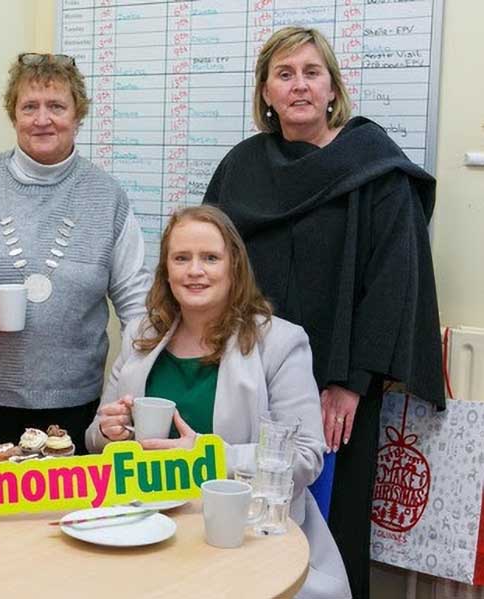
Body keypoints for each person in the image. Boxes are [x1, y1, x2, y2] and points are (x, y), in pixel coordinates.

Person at [202, 27, 443, 599]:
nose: (299, 86)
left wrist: (351, 383)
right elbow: (210, 259)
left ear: (333, 88)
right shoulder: (242, 166)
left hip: (337, 389)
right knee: (241, 524)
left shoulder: (374, 166)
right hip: (250, 377)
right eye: (284, 75)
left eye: (312, 73)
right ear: (266, 92)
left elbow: (393, 284)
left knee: (327, 537)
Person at [85, 205, 351, 599]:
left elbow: (305, 457)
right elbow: (95, 439)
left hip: (243, 539)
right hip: (145, 529)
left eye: (210, 258)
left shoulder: (280, 342)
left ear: (234, 267)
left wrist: (208, 456)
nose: (195, 270)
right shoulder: (141, 334)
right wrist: (110, 433)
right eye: (181, 258)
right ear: (166, 270)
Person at [0, 53, 151, 456]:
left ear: (78, 115)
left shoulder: (108, 197)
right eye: (29, 107)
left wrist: (132, 383)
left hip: (72, 405)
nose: (43, 119)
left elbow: (136, 299)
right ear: (14, 116)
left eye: (56, 106)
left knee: (61, 499)